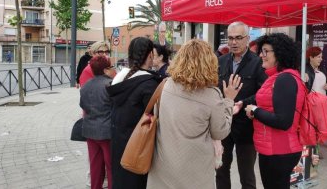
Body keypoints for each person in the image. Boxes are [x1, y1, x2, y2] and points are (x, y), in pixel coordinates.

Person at [147, 39, 242, 189]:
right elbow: (220, 132)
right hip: (194, 172)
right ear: (209, 62)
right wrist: (229, 100)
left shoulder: (166, 84)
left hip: (164, 166)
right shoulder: (211, 94)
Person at [245, 33, 307, 189]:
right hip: (274, 149)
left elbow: (283, 121)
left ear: (279, 53)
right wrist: (243, 103)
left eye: (266, 51)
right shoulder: (277, 77)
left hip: (279, 150)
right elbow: (263, 100)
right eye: (261, 51)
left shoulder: (284, 79)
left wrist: (255, 111)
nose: (261, 55)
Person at [106, 37, 162, 189]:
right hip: (139, 147)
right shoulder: (149, 84)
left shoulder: (120, 78)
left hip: (118, 143)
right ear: (150, 55)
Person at [216, 21, 267, 189]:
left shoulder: (258, 63)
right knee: (221, 169)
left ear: (247, 38)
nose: (233, 42)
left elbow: (263, 93)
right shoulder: (221, 61)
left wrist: (243, 103)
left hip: (247, 126)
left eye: (238, 38)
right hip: (223, 124)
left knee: (246, 174)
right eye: (230, 38)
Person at [80, 56, 116, 189]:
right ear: (106, 69)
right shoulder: (110, 85)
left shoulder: (85, 86)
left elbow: (83, 105)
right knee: (111, 167)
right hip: (107, 132)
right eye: (111, 67)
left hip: (90, 131)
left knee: (95, 167)